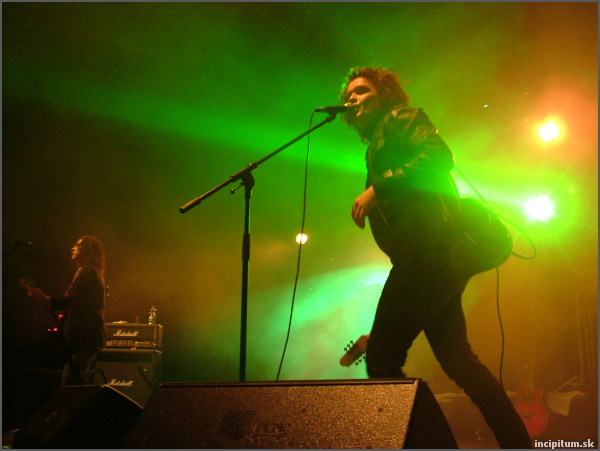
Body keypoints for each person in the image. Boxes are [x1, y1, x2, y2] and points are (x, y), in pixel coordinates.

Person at [339, 66, 531, 449]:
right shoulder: (377, 141)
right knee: (462, 364)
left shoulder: (400, 117)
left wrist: (379, 188)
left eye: (361, 91)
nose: (352, 99)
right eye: (348, 96)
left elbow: (439, 157)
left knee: (382, 362)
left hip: (426, 258)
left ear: (384, 93)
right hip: (429, 260)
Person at [25, 236, 107, 386]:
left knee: (72, 385)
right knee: (73, 383)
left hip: (84, 339)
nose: (72, 248)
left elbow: (79, 301)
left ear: (88, 251)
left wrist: (47, 300)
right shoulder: (89, 272)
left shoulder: (89, 272)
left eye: (78, 245)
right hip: (82, 340)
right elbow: (78, 303)